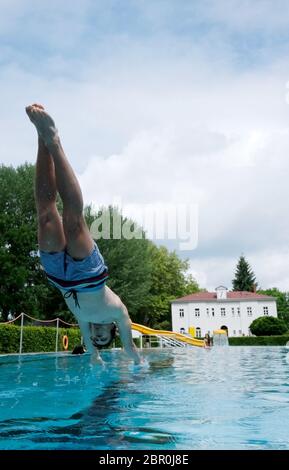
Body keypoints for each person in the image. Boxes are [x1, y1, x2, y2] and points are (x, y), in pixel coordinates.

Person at [25, 103, 141, 365]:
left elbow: (89, 347)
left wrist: (94, 354)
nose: (98, 336)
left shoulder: (83, 320)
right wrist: (134, 356)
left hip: (59, 276)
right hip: (90, 277)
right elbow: (129, 345)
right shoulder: (118, 314)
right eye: (103, 337)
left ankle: (41, 138)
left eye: (95, 338)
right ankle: (54, 141)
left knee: (45, 213)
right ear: (112, 329)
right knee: (74, 221)